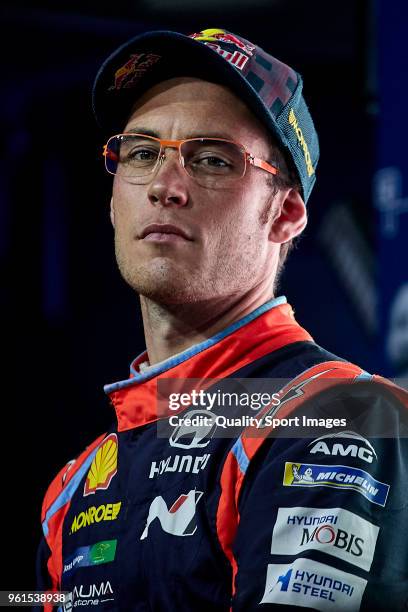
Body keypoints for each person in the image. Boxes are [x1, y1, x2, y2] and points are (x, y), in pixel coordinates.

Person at [36, 28, 408, 611]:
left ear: (283, 213)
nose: (164, 185)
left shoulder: (340, 418)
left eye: (211, 159)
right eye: (140, 153)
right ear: (112, 201)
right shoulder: (75, 488)